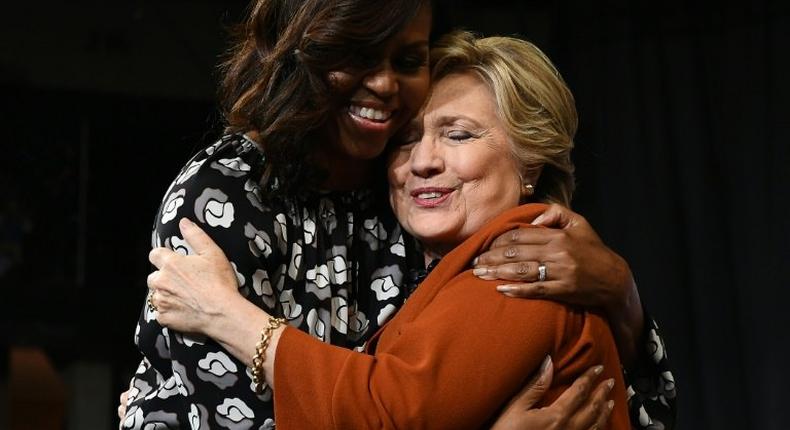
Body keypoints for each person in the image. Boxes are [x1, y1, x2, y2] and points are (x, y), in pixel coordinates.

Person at [122, 0, 675, 428]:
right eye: (358, 54)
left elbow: (644, 412)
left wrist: (620, 292)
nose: (386, 85)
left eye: (408, 61)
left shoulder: (512, 260)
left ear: (531, 156)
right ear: (302, 50)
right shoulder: (227, 195)